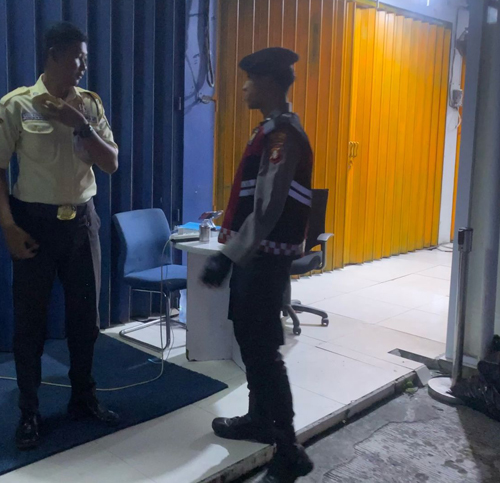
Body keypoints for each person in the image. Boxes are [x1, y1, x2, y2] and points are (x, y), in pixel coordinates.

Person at [0, 22, 120, 450]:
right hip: (34, 226)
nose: (83, 65)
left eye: (85, 58)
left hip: (82, 224)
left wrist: (82, 126)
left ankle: (84, 397)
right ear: (54, 55)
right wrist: (8, 226)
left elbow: (111, 163)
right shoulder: (17, 105)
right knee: (30, 325)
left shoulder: (89, 105)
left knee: (85, 321)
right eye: (78, 57)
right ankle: (29, 411)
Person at [201, 47, 315, 482]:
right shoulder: (270, 131)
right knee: (251, 342)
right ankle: (259, 419)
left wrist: (227, 257)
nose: (244, 87)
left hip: (263, 261)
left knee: (264, 351)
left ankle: (288, 449)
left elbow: (267, 209)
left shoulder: (282, 137)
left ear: (268, 83)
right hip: (257, 257)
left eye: (249, 80)